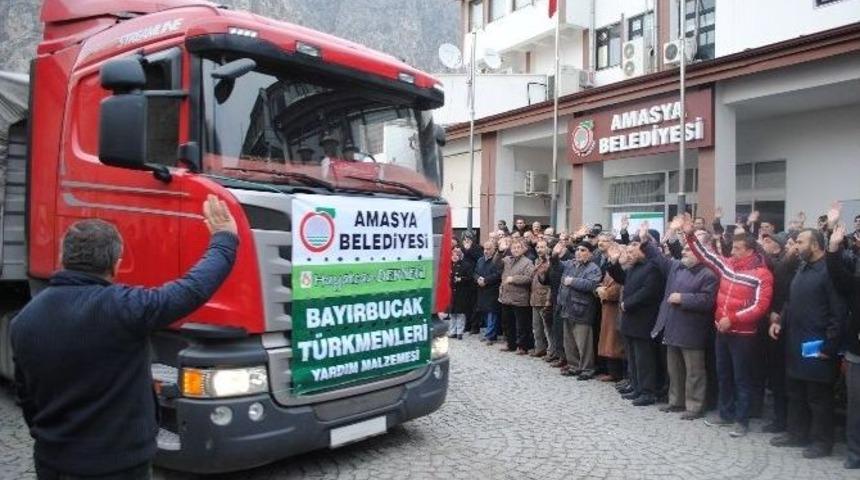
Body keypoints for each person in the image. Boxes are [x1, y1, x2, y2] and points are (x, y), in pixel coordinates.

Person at [11, 195, 238, 479]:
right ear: (116, 265)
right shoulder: (124, 308)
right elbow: (192, 289)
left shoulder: (24, 320)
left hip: (52, 461)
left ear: (62, 259)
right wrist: (225, 239)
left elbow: (26, 397)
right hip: (118, 466)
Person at [677, 214, 774, 438]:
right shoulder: (728, 265)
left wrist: (734, 318)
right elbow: (705, 255)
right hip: (722, 331)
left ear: (750, 250)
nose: (732, 252)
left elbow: (760, 307)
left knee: (742, 377)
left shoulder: (762, 275)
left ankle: (742, 420)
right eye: (733, 248)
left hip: (743, 335)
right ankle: (726, 413)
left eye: (738, 248)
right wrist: (689, 235)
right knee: (724, 374)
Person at [769, 228, 847, 459]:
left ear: (814, 245)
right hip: (795, 341)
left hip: (817, 344)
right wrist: (780, 322)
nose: (795, 245)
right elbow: (791, 302)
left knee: (818, 397)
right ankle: (796, 434)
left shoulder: (828, 271)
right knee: (796, 392)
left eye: (800, 242)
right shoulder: (802, 268)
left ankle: (822, 442)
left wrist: (829, 346)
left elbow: (838, 313)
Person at [641, 224, 718, 420]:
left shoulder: (709, 273)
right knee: (674, 369)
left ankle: (695, 406)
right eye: (683, 249)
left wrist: (683, 298)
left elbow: (708, 300)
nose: (683, 252)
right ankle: (676, 401)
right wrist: (644, 240)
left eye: (687, 249)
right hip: (673, 326)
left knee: (694, 372)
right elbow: (658, 258)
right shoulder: (677, 267)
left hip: (693, 329)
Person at [607, 237, 664, 406]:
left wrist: (628, 303)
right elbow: (622, 279)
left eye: (632, 252)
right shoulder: (634, 268)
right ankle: (637, 386)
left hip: (643, 320)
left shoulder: (652, 268)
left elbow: (649, 291)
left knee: (644, 359)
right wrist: (614, 262)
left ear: (642, 252)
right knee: (633, 358)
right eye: (628, 252)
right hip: (630, 320)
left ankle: (648, 392)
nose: (629, 255)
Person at [825, 223, 860, 469]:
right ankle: (855, 453)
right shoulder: (857, 283)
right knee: (856, 408)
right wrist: (834, 247)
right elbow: (839, 279)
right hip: (857, 354)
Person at [761, 232, 800, 433]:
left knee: (791, 379)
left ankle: (794, 423)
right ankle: (780, 418)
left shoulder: (797, 268)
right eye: (792, 243)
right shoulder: (779, 266)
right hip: (774, 329)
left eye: (797, 243)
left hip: (794, 330)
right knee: (776, 376)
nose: (793, 247)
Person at [555, 242, 603, 380]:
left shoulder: (593, 268)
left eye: (583, 250)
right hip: (566, 307)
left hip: (582, 310)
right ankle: (573, 366)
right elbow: (556, 267)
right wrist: (554, 255)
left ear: (590, 253)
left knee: (584, 343)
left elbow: (592, 284)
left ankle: (587, 369)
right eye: (577, 250)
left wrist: (573, 281)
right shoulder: (570, 264)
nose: (579, 252)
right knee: (569, 341)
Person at [498, 238, 535, 354]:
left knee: (521, 325)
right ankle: (511, 343)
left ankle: (522, 346)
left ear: (523, 249)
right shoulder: (508, 260)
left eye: (518, 247)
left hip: (520, 298)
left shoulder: (528, 262)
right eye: (513, 248)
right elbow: (496, 263)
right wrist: (500, 251)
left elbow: (529, 278)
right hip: (506, 297)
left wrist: (514, 279)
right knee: (507, 323)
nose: (515, 250)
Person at [595, 242, 625, 382]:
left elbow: (617, 289)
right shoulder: (610, 269)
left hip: (614, 310)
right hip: (607, 309)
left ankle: (617, 373)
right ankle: (611, 371)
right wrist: (600, 289)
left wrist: (605, 292)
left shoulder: (622, 269)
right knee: (607, 341)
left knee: (614, 342)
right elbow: (602, 283)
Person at [475, 240, 503, 345]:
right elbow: (475, 272)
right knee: (485, 313)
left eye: (488, 249)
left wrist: (486, 280)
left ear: (494, 249)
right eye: (485, 249)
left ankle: (490, 336)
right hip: (482, 291)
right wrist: (478, 279)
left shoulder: (497, 261)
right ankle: (490, 333)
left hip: (492, 291)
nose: (486, 251)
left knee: (492, 314)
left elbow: (498, 275)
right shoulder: (480, 260)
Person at [530, 239, 552, 357]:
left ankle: (551, 352)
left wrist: (549, 299)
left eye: (542, 247)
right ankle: (539, 348)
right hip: (534, 298)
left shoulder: (551, 262)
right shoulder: (536, 261)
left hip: (545, 298)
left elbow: (550, 284)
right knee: (536, 327)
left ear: (548, 248)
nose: (539, 250)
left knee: (547, 329)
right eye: (538, 247)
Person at [448, 248, 475, 340]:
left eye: (456, 255)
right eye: (453, 255)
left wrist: (461, 279)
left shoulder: (466, 265)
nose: (454, 256)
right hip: (452, 292)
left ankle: (459, 332)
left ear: (460, 256)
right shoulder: (449, 265)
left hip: (462, 292)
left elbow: (470, 277)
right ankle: (452, 332)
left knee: (460, 314)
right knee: (452, 313)